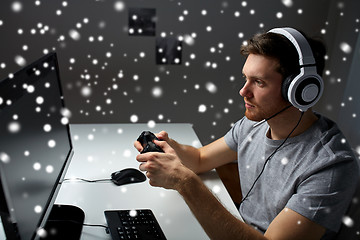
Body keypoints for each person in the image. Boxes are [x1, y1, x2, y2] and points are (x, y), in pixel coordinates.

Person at [134, 27, 359, 240]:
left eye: (259, 82)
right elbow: (201, 159)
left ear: (300, 90)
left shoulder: (331, 166)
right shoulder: (256, 124)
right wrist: (166, 145)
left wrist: (185, 182)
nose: (243, 91)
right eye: (246, 78)